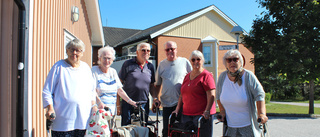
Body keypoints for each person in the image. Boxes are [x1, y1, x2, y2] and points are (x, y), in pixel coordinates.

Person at [42, 39, 97, 137]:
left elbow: (92, 90)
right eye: (71, 50)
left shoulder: (86, 68)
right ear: (67, 51)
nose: (74, 53)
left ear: (82, 53)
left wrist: (94, 105)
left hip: (83, 120)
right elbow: (47, 90)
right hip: (62, 121)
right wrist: (50, 108)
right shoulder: (58, 67)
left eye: (78, 50)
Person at [216, 49, 268, 137]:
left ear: (240, 61)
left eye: (235, 59)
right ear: (226, 63)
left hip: (248, 126)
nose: (232, 62)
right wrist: (222, 111)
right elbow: (218, 97)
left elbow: (259, 95)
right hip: (230, 127)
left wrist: (261, 114)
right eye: (229, 60)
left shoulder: (248, 76)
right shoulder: (222, 77)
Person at [152, 41, 192, 137]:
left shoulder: (184, 62)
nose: (170, 51)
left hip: (182, 103)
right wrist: (155, 99)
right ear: (165, 51)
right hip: (166, 104)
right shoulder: (162, 65)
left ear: (176, 49)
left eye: (172, 49)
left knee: (181, 130)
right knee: (167, 130)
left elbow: (194, 76)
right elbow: (157, 85)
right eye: (167, 49)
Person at [172, 50, 216, 137]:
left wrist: (207, 111)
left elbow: (211, 95)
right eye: (193, 60)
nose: (195, 62)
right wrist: (177, 109)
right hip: (186, 115)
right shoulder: (187, 76)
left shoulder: (206, 75)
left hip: (202, 115)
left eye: (198, 59)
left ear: (202, 61)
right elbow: (182, 94)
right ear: (190, 62)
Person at [92, 46, 137, 116]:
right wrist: (99, 103)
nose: (107, 61)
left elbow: (119, 90)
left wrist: (131, 101)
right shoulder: (94, 71)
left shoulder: (113, 72)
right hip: (99, 111)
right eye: (104, 58)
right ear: (99, 58)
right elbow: (92, 91)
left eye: (109, 58)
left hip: (111, 112)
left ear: (112, 60)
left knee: (111, 127)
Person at [118, 42, 155, 126]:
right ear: (137, 52)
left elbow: (152, 86)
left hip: (144, 103)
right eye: (143, 50)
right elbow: (118, 85)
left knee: (142, 130)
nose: (146, 52)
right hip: (128, 103)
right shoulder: (127, 64)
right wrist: (118, 105)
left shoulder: (150, 67)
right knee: (126, 130)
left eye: (148, 50)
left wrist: (155, 98)